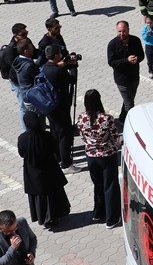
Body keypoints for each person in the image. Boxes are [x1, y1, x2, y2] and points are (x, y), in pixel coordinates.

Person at [74, 90, 123, 228]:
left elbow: (82, 137)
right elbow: (115, 138)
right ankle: (112, 218)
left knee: (98, 185)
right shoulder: (106, 119)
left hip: (90, 156)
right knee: (110, 186)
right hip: (106, 156)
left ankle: (98, 213)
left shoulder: (81, 118)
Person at [17, 111, 70, 229]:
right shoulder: (47, 136)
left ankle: (43, 218)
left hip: (32, 173)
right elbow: (55, 150)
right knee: (52, 195)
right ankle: (55, 216)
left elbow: (21, 154)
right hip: (49, 170)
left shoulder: (22, 139)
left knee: (39, 198)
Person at [107, 20, 143, 127]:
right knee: (129, 104)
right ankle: (130, 125)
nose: (122, 34)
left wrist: (137, 59)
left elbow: (141, 55)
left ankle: (122, 119)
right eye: (119, 31)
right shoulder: (112, 44)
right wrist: (126, 60)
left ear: (128, 30)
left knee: (129, 99)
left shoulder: (135, 40)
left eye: (124, 31)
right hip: (122, 80)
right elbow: (111, 62)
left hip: (134, 77)